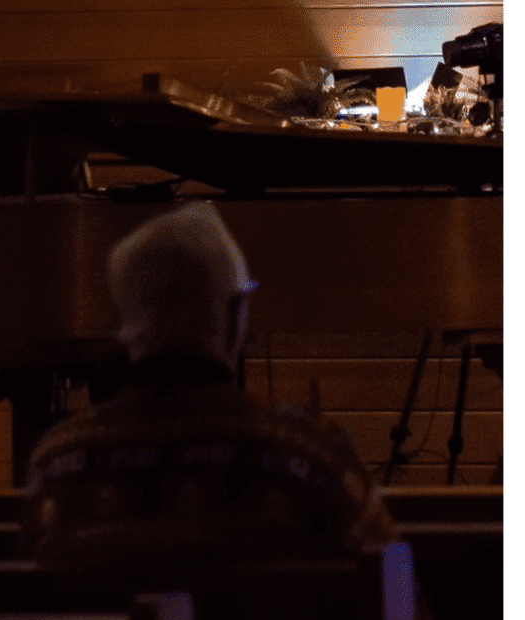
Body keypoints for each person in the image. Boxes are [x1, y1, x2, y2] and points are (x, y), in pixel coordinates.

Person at [22, 202, 394, 567]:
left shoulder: (58, 463)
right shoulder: (310, 455)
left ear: (126, 320)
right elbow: (393, 582)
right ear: (234, 317)